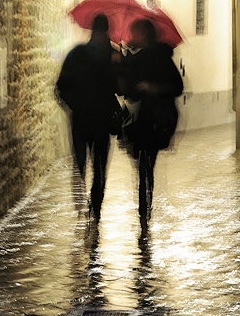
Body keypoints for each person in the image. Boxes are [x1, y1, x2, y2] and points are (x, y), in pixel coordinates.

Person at [55, 14, 121, 225]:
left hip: (85, 121)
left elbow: (61, 87)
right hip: (95, 120)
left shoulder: (78, 54)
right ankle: (92, 205)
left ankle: (91, 206)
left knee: (87, 166)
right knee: (95, 166)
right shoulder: (110, 55)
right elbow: (120, 89)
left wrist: (75, 106)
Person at [121, 17, 183, 238]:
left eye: (134, 32)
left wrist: (154, 88)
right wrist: (125, 61)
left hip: (156, 119)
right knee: (146, 165)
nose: (131, 36)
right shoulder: (138, 59)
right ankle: (145, 205)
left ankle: (144, 205)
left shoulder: (161, 59)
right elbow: (128, 91)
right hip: (146, 119)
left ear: (144, 35)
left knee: (145, 165)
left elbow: (177, 87)